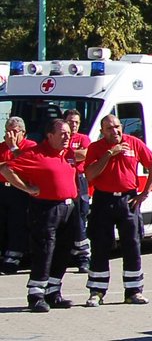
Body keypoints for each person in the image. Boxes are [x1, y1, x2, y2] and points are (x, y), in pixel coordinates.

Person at [0, 119, 83, 311]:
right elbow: (7, 169)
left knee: (64, 251)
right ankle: (36, 294)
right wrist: (27, 188)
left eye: (69, 133)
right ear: (49, 135)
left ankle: (53, 291)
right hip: (46, 209)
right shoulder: (36, 154)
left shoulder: (68, 153)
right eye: (62, 133)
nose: (67, 137)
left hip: (69, 208)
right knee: (44, 251)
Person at [83, 115, 152, 306]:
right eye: (109, 128)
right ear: (102, 131)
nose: (115, 131)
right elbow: (90, 174)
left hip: (128, 200)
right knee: (100, 245)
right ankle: (97, 291)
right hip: (103, 200)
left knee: (132, 245)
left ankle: (133, 291)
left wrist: (145, 193)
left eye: (117, 127)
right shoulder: (96, 148)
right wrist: (110, 154)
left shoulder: (133, 143)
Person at [0, 117, 35, 275]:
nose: (10, 135)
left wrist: (13, 148)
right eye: (8, 131)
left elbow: (25, 165)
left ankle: (13, 260)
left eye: (14, 131)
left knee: (17, 225)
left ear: (23, 132)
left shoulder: (30, 147)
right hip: (3, 190)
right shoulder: (1, 147)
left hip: (20, 191)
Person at [63, 109, 92, 273]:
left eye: (76, 122)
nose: (73, 125)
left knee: (80, 218)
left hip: (78, 179)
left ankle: (83, 258)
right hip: (63, 178)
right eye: (71, 121)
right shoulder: (60, 136)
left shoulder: (83, 138)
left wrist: (67, 154)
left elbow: (86, 154)